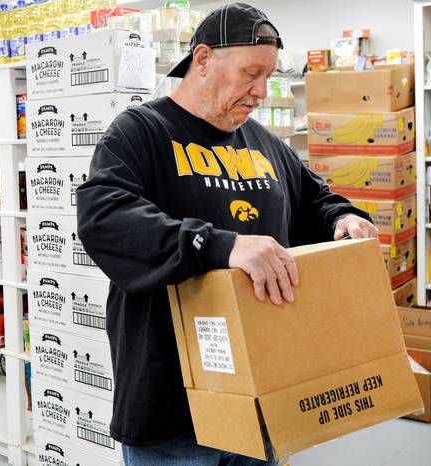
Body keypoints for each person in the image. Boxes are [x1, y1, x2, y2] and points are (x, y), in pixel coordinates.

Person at [75, 3, 379, 466]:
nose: (260, 91)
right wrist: (222, 244)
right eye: (250, 73)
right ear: (202, 59)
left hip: (264, 391)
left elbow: (314, 198)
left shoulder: (263, 142)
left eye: (269, 76)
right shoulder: (141, 131)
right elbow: (105, 217)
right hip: (172, 404)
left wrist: (342, 218)